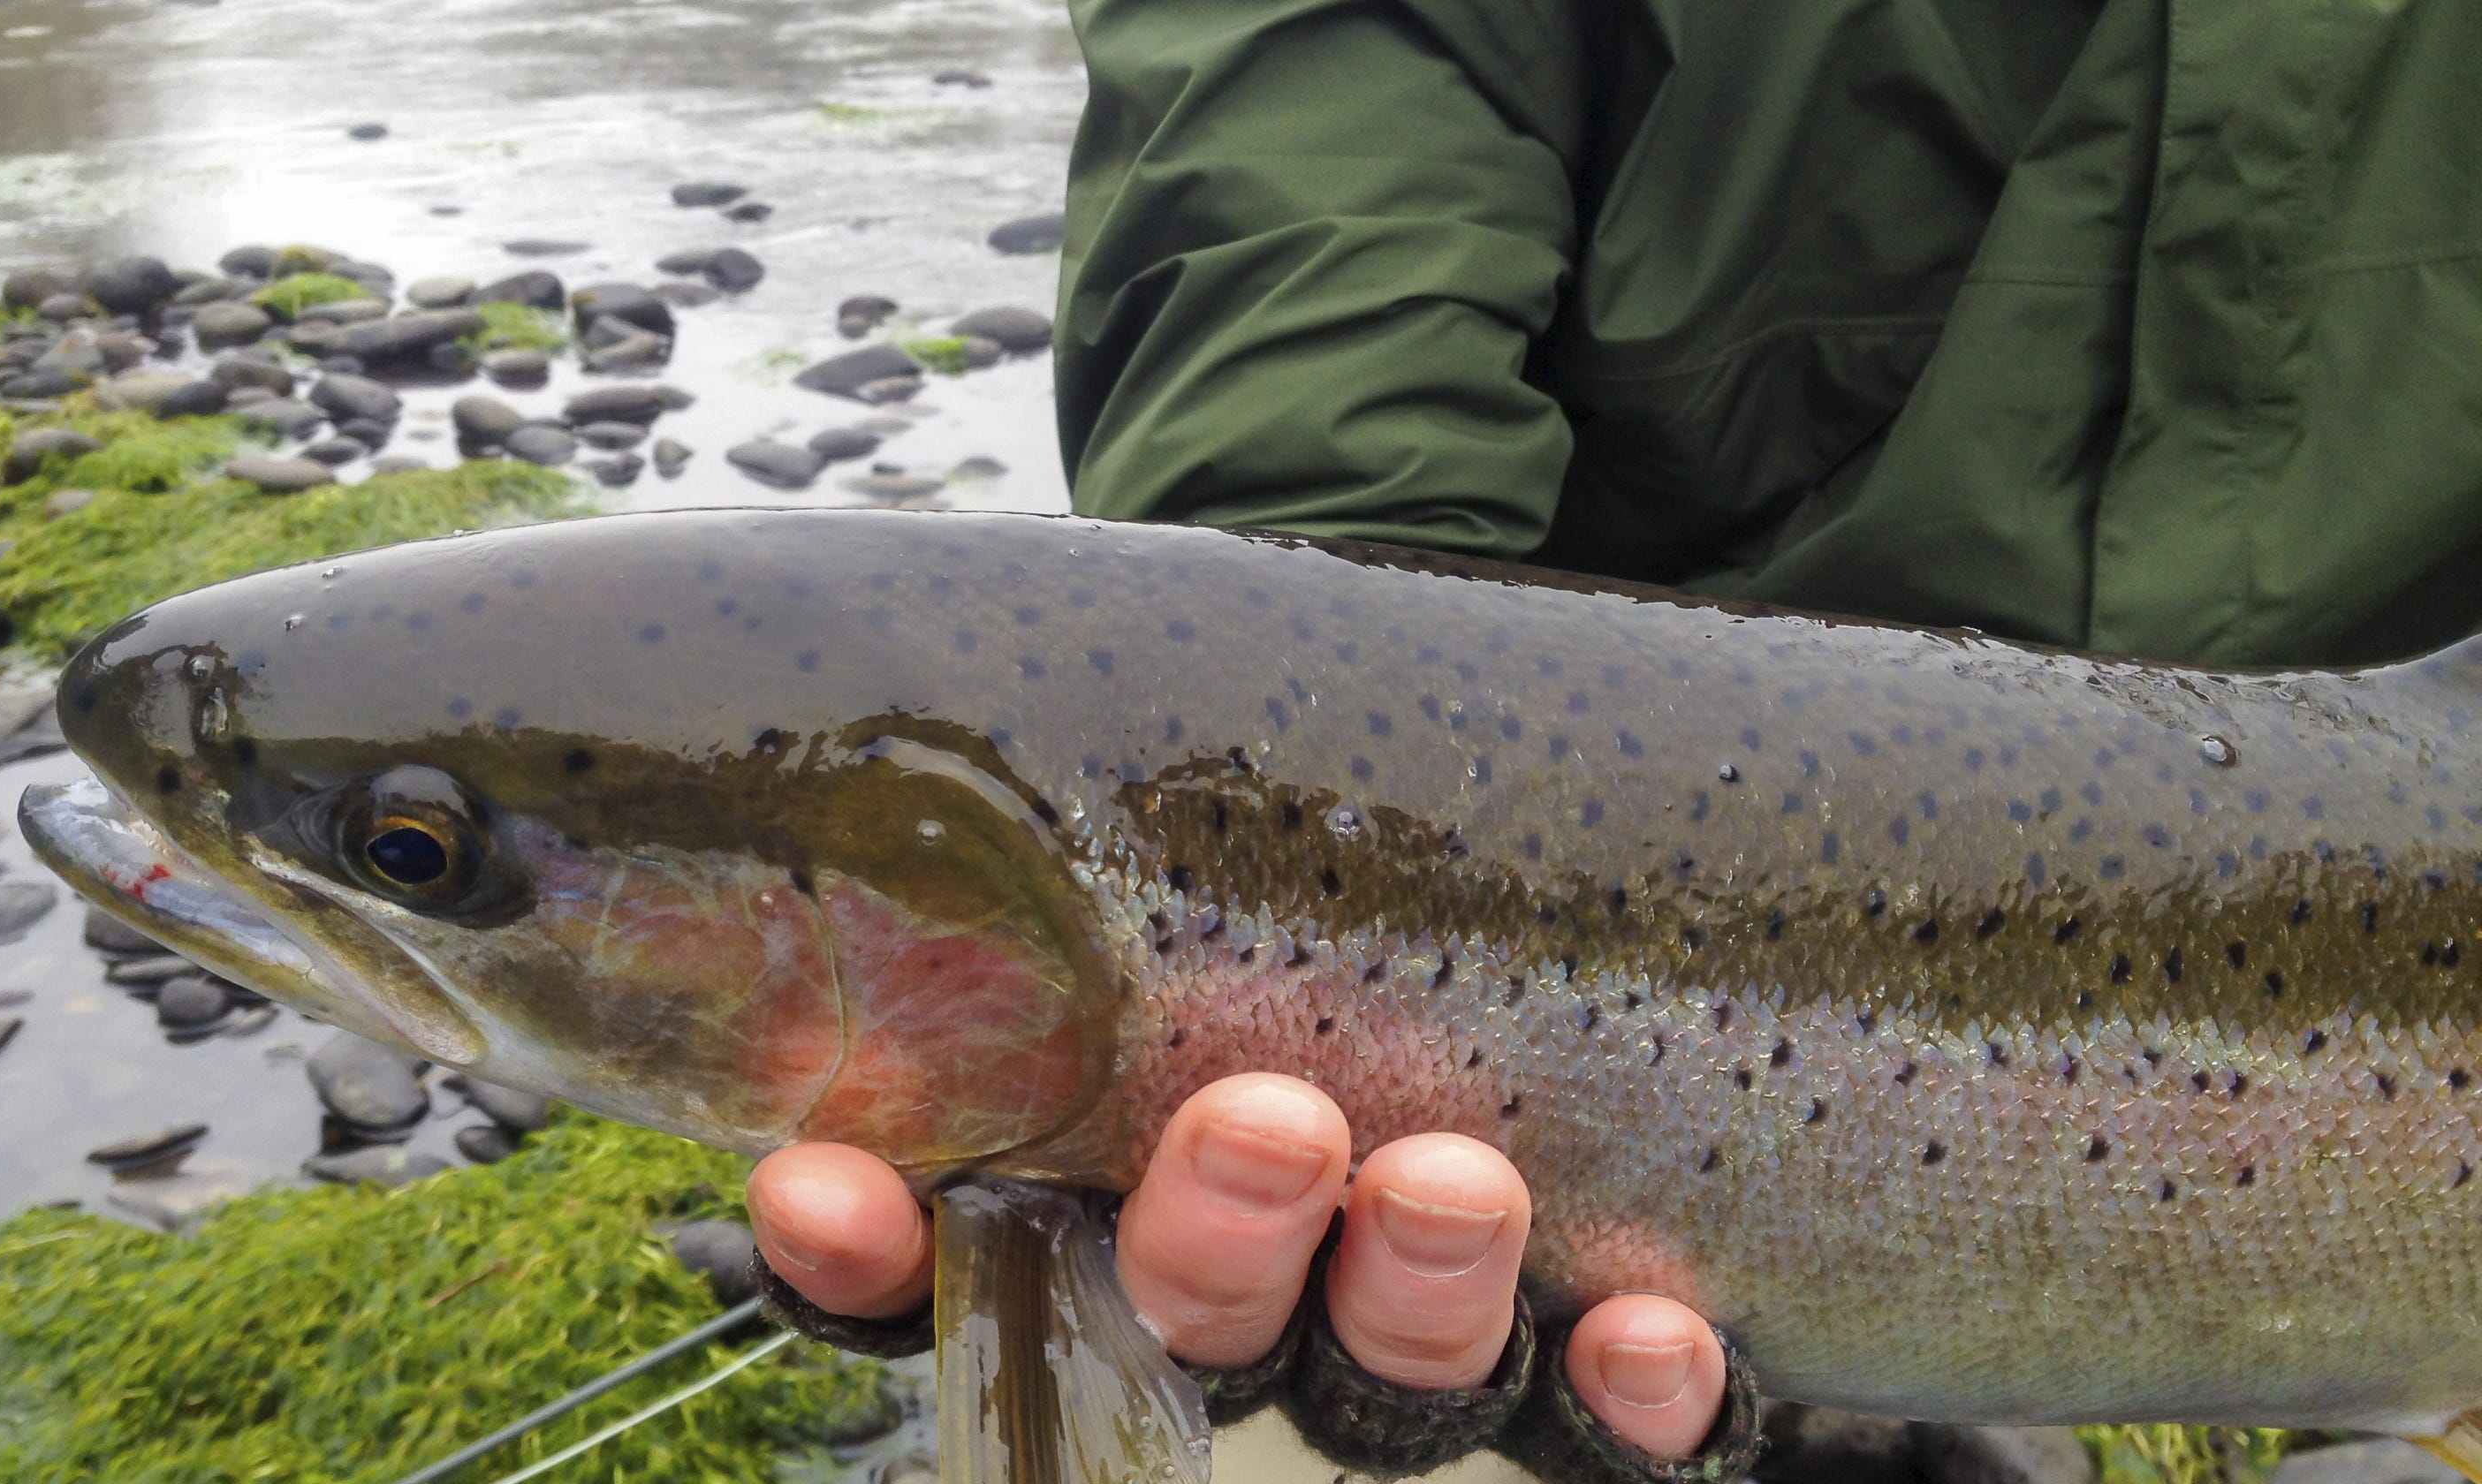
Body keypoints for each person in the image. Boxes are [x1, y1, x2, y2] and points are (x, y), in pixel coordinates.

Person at [753, 0, 2482, 1473]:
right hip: (1566, 809)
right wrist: (1307, 850)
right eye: (458, 864)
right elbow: (1316, 190)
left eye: (457, 864)